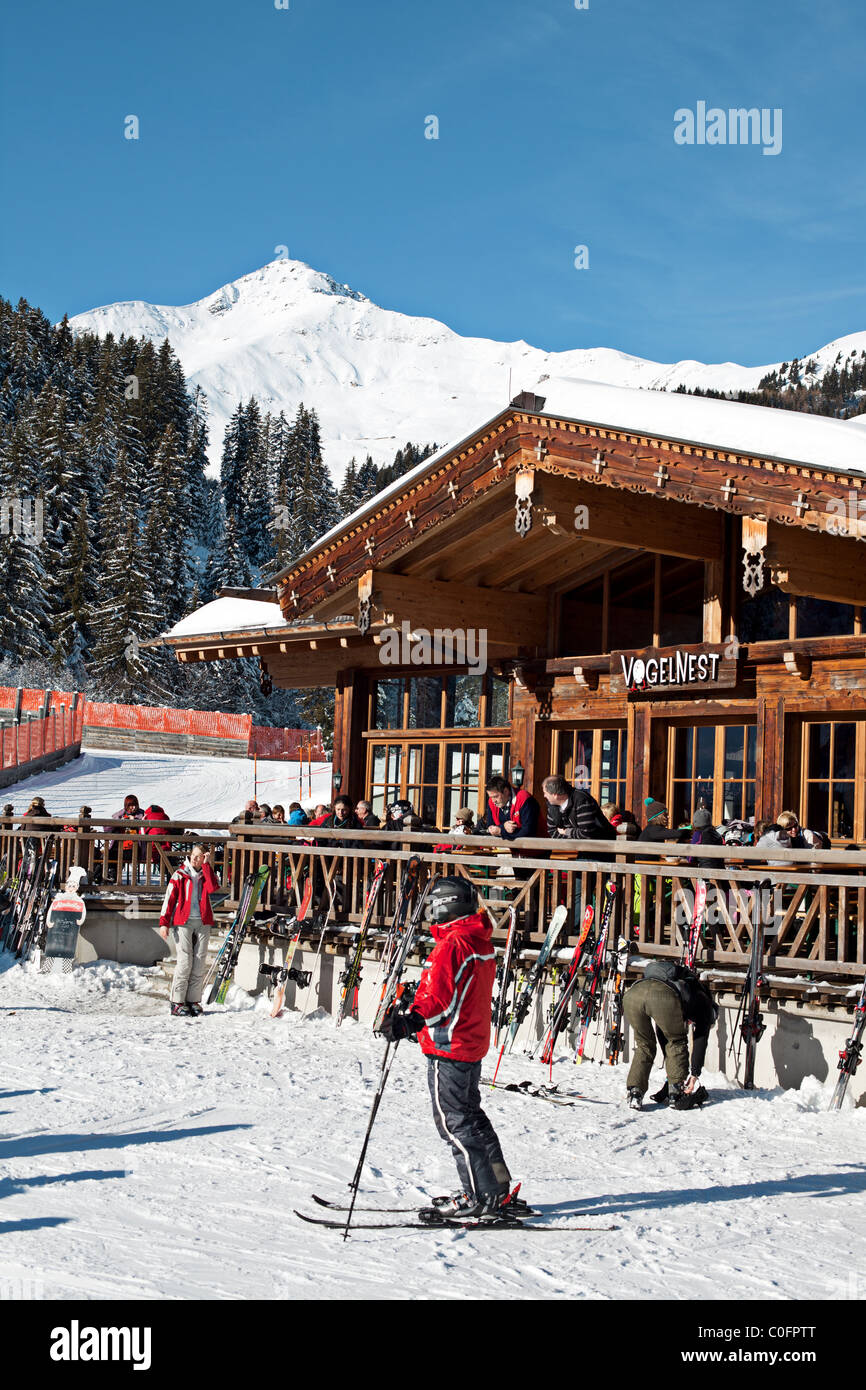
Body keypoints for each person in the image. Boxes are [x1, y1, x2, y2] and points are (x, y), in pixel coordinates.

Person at [379, 876, 518, 1223]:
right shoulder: (475, 938)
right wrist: (416, 1000)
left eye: (433, 906)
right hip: (468, 1040)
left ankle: (480, 1195)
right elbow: (453, 990)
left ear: (446, 905)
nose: (429, 913)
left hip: (450, 1045)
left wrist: (412, 1020)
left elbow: (441, 1001)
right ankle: (496, 1187)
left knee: (454, 1123)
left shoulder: (454, 943)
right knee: (470, 1117)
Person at [623, 960, 717, 1110]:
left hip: (633, 994)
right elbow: (700, 1041)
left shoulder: (690, 989)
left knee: (644, 1044)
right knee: (677, 1041)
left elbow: (663, 1032)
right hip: (662, 996)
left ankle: (635, 1092)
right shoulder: (704, 1006)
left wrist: (671, 1070)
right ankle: (676, 1093)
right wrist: (694, 1075)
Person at [158, 844, 221, 1017]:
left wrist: (207, 866)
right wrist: (164, 922)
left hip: (203, 921)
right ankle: (177, 1002)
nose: (194, 858)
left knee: (199, 961)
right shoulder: (180, 875)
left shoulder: (205, 875)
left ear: (204, 858)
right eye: (193, 855)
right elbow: (169, 899)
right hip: (183, 922)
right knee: (185, 961)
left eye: (199, 856)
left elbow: (212, 888)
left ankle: (193, 1001)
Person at [542, 775, 614, 842]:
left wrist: (566, 831)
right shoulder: (552, 806)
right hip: (575, 848)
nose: (544, 796)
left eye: (545, 793)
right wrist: (571, 840)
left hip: (602, 846)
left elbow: (586, 833)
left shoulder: (581, 800)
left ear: (555, 795)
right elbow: (552, 832)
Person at [479, 776, 541, 846]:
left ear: (506, 791)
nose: (493, 801)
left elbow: (528, 831)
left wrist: (501, 831)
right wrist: (503, 828)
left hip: (534, 850)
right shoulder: (491, 802)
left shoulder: (524, 799)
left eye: (496, 796)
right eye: (491, 797)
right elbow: (490, 826)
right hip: (506, 851)